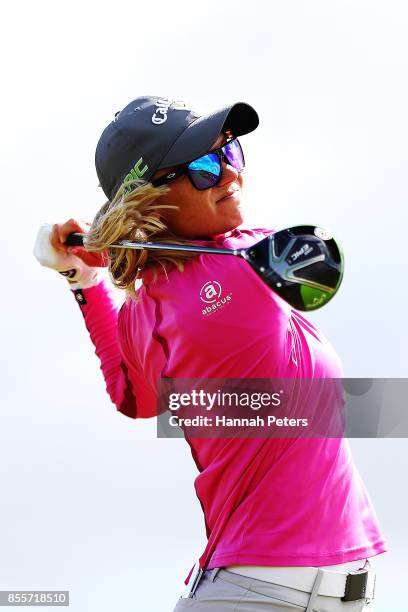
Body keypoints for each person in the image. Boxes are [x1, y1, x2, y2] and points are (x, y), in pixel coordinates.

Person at [34, 96, 387, 611]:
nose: (228, 174)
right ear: (147, 198)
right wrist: (106, 255)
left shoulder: (148, 307)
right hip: (254, 596)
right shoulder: (237, 267)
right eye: (202, 168)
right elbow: (313, 255)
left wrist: (84, 277)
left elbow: (132, 395)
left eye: (232, 154)